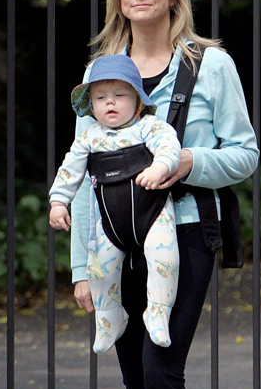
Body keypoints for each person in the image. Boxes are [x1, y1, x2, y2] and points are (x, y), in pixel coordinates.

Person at [70, 0, 259, 389]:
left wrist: (185, 163)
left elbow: (245, 155)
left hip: (184, 232)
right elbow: (82, 174)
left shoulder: (211, 65)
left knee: (160, 367)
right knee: (133, 374)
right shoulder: (102, 68)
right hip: (115, 242)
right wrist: (81, 265)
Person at [49, 54, 181, 354]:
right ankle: (110, 319)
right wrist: (58, 202)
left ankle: (158, 312)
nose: (110, 102)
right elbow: (70, 171)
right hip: (109, 222)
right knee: (100, 270)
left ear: (137, 100)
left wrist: (159, 167)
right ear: (91, 104)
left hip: (153, 214)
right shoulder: (88, 137)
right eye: (100, 97)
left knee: (165, 259)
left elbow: (169, 147)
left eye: (119, 95)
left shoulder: (149, 126)